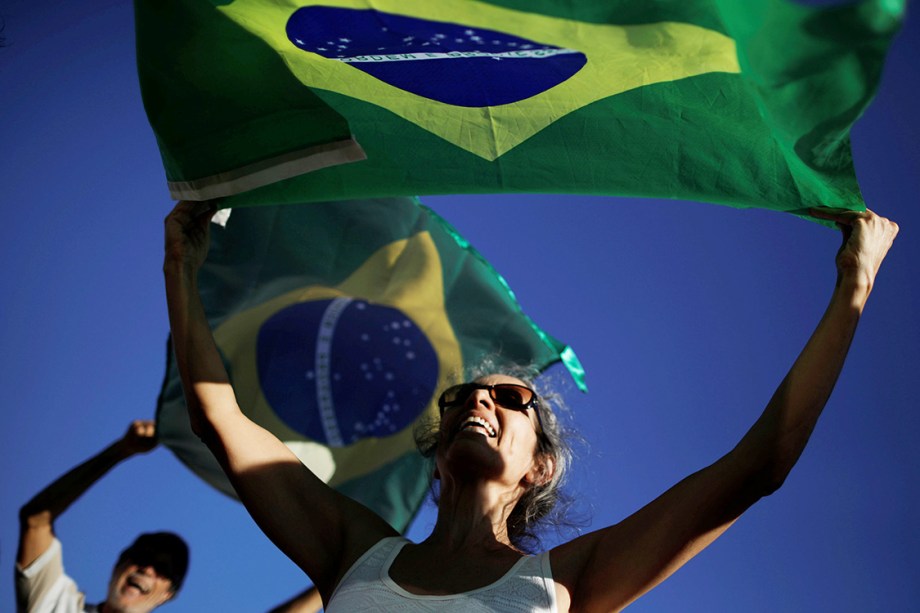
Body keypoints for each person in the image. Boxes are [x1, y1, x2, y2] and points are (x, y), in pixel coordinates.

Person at [164, 200, 897, 611]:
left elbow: (759, 464)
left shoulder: (569, 581)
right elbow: (219, 417)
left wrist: (852, 289)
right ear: (438, 446)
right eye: (460, 398)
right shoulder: (353, 550)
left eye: (511, 398)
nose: (480, 398)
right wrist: (183, 267)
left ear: (539, 466)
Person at [16, 420, 189, 613]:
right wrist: (122, 450)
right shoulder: (57, 604)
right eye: (141, 557)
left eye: (163, 569)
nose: (147, 569)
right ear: (118, 565)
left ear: (168, 595)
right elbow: (35, 521)